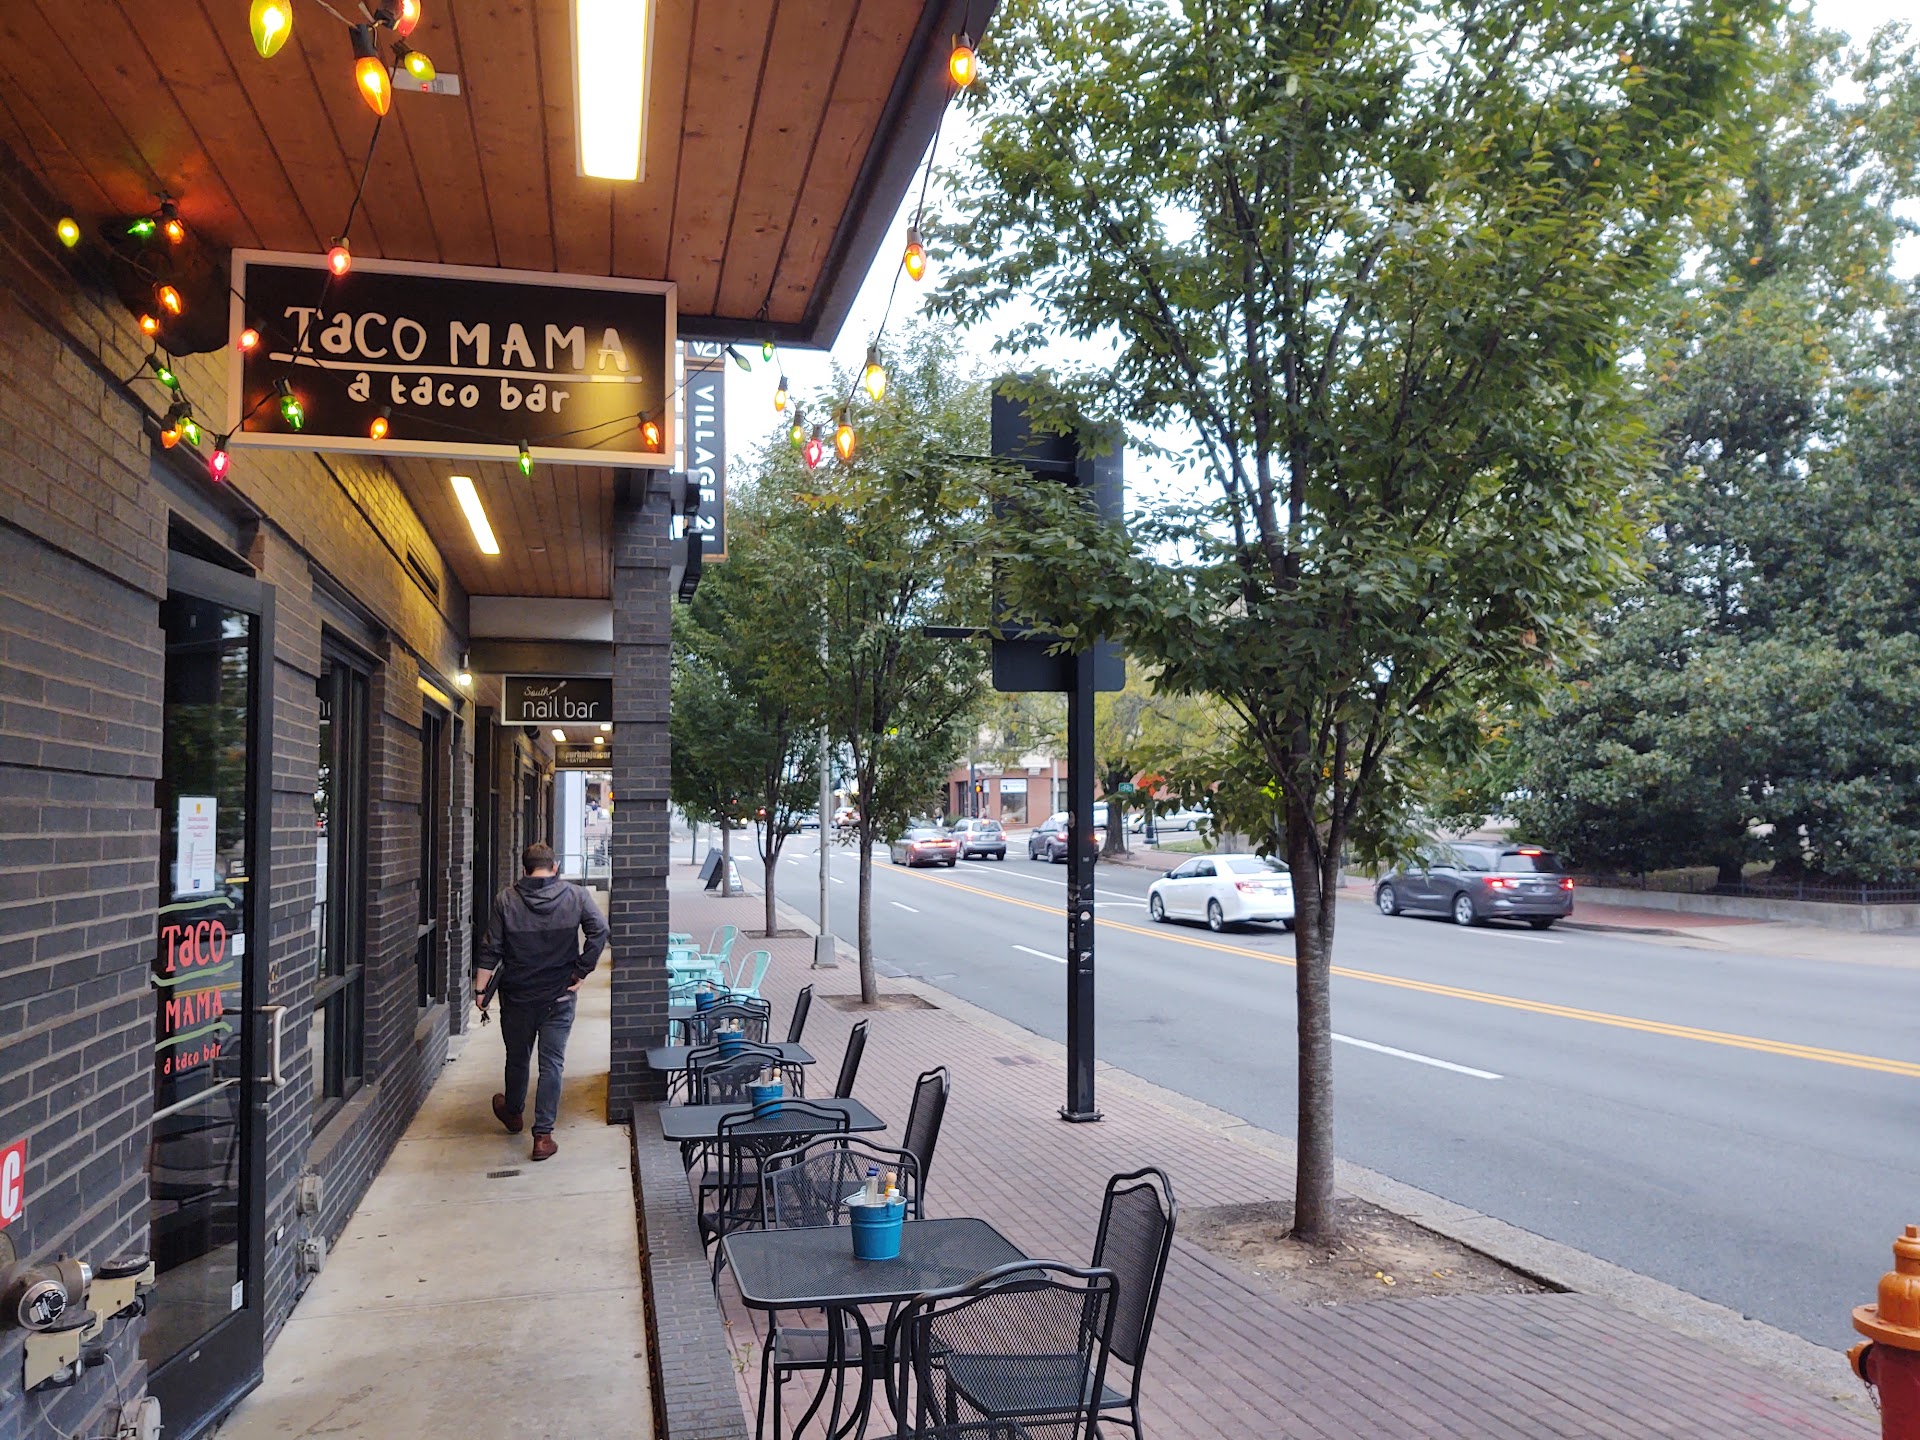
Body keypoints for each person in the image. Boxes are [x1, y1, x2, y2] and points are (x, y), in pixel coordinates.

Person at [474, 842, 609, 1161]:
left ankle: (513, 1112)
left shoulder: (506, 899)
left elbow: (491, 949)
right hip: (559, 995)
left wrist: (480, 992)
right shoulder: (576, 896)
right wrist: (581, 971)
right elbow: (600, 931)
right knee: (552, 1064)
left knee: (517, 1057)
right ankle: (543, 1136)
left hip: (517, 996)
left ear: (524, 869)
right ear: (555, 867)